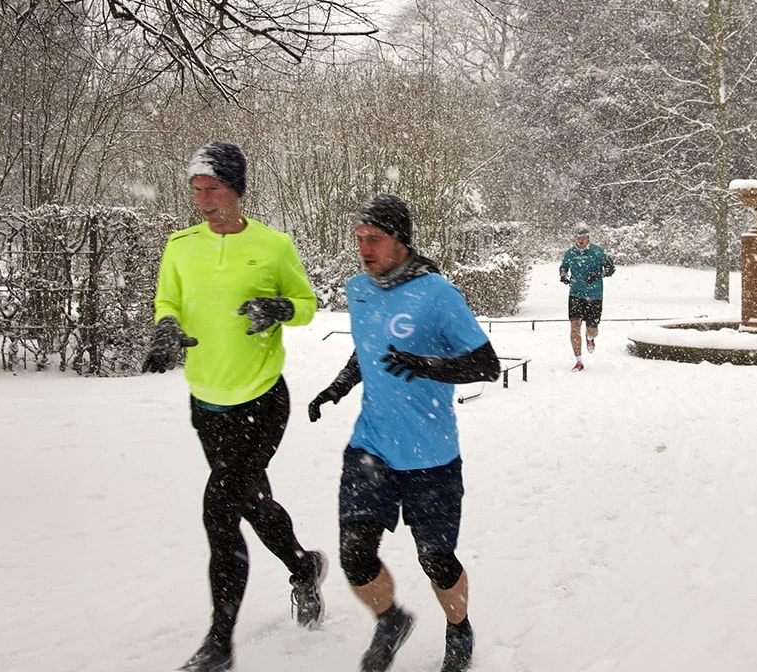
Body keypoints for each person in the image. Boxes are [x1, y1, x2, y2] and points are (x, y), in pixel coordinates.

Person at [142, 141, 328, 672]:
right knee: (249, 500)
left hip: (263, 398)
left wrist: (279, 306)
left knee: (220, 510)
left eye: (213, 188)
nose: (202, 199)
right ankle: (303, 565)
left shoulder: (273, 246)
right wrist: (166, 328)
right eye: (196, 189)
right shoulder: (180, 246)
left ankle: (220, 642)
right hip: (207, 402)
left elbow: (308, 306)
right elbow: (168, 300)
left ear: (237, 189)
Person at [307, 193, 500, 672]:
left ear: (401, 241)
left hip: (431, 453)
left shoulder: (438, 294)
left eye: (374, 239)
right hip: (371, 446)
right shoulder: (359, 289)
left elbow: (486, 364)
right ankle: (390, 620)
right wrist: (338, 386)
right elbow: (369, 348)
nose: (364, 249)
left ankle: (459, 629)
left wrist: (428, 364)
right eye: (359, 240)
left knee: (437, 560)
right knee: (354, 554)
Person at [558, 223, 614, 371]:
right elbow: (564, 266)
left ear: (588, 237)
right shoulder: (570, 253)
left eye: (583, 237)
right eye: (578, 237)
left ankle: (590, 338)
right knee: (575, 326)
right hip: (576, 293)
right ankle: (579, 361)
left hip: (594, 295)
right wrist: (563, 274)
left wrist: (598, 274)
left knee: (592, 330)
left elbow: (610, 269)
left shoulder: (598, 252)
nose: (580, 240)